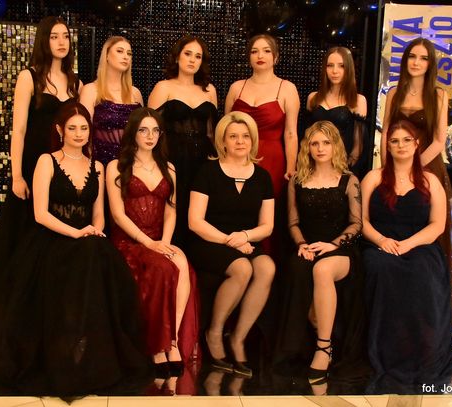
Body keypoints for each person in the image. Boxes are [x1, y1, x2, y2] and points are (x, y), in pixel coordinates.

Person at [0, 102, 151, 397]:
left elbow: (98, 214)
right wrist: (75, 233)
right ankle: (63, 358)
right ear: (60, 130)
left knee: (97, 260)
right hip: (51, 239)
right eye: (72, 128)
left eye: (84, 128)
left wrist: (93, 230)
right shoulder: (46, 161)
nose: (78, 133)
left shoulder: (97, 166)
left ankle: (92, 358)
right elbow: (40, 214)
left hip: (86, 239)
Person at [0, 15, 82, 343]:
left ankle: (53, 313)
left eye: (65, 36)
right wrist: (16, 175)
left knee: (54, 238)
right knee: (26, 240)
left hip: (61, 168)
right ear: (43, 40)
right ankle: (21, 318)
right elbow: (19, 129)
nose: (61, 42)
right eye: (54, 36)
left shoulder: (76, 83)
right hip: (31, 165)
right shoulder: (29, 77)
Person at [380, 37, 452, 334]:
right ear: (405, 60)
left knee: (433, 239)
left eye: (423, 58)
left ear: (430, 64)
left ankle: (436, 313)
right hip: (393, 167)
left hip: (427, 169)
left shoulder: (439, 95)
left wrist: (413, 166)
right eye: (412, 57)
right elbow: (385, 133)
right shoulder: (394, 92)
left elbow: (439, 140)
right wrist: (388, 166)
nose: (417, 62)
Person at [361, 119, 452, 394]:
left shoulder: (430, 180)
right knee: (380, 268)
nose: (401, 145)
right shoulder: (373, 178)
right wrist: (382, 240)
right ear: (387, 146)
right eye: (394, 141)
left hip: (419, 245)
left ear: (417, 145)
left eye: (407, 140)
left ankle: (418, 348)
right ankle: (385, 349)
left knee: (422, 273)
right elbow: (362, 221)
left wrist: (407, 245)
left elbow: (436, 226)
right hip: (380, 243)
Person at [107, 107, 198, 383]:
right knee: (162, 269)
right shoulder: (116, 167)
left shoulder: (168, 168)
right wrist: (149, 243)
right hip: (129, 241)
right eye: (144, 130)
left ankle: (172, 341)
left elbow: (171, 211)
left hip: (159, 239)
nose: (150, 136)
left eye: (155, 130)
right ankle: (158, 348)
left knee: (181, 263)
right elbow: (117, 215)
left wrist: (164, 243)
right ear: (133, 133)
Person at [276, 121, 364, 390]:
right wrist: (302, 244)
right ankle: (302, 343)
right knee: (298, 267)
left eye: (326, 142)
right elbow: (293, 223)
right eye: (314, 143)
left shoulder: (349, 180)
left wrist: (333, 244)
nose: (320, 148)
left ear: (336, 145)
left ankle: (324, 348)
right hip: (308, 246)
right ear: (307, 147)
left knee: (322, 270)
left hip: (341, 250)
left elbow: (356, 224)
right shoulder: (297, 180)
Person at [188, 111, 275, 378]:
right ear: (222, 141)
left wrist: (245, 237)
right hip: (209, 241)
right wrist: (232, 241)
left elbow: (267, 226)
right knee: (242, 268)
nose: (240, 141)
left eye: (245, 136)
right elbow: (195, 222)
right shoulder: (207, 171)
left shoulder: (262, 177)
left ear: (253, 140)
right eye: (233, 136)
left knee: (267, 267)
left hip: (245, 241)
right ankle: (214, 332)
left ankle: (238, 338)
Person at [148, 35, 218, 249]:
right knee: (174, 205)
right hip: (172, 157)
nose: (192, 60)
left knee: (201, 208)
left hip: (203, 159)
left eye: (198, 56)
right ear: (177, 57)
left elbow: (212, 132)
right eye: (188, 54)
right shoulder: (163, 87)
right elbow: (150, 127)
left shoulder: (209, 90)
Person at [225, 33, 299, 200]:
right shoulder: (236, 88)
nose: (260, 56)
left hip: (272, 158)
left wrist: (291, 167)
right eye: (254, 51)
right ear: (248, 57)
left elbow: (290, 133)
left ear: (276, 57)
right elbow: (225, 130)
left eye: (266, 51)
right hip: (238, 155)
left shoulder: (287, 88)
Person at [80, 36, 143, 166]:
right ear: (107, 56)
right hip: (99, 162)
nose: (125, 56)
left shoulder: (135, 93)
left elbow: (143, 132)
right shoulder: (90, 90)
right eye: (120, 51)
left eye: (129, 53)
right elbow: (84, 133)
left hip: (132, 163)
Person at [306, 47, 367, 175]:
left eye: (341, 66)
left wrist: (345, 170)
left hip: (343, 167)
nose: (335, 71)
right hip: (313, 165)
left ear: (349, 69)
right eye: (330, 65)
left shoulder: (358, 100)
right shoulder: (313, 98)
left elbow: (358, 147)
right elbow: (306, 136)